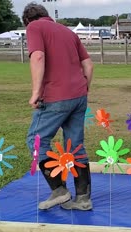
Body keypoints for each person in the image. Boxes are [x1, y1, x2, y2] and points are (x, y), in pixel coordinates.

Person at [23, 3, 94, 211]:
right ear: (47, 16)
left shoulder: (34, 27)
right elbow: (88, 65)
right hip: (79, 96)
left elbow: (37, 56)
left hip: (55, 97)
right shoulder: (67, 31)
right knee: (75, 146)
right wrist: (84, 88)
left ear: (28, 21)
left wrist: (36, 92)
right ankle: (83, 199)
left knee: (36, 140)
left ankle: (59, 190)